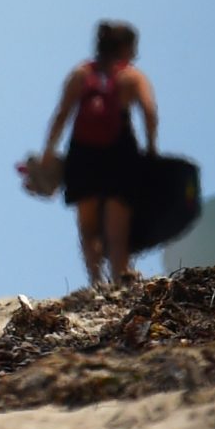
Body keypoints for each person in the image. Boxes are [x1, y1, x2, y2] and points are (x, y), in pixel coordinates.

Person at [40, 21, 160, 286]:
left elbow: (62, 114)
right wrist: (151, 149)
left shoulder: (81, 74)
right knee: (117, 231)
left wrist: (48, 152)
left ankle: (96, 282)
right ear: (126, 48)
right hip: (120, 152)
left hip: (83, 153)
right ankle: (120, 280)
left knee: (88, 227)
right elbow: (149, 111)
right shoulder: (132, 76)